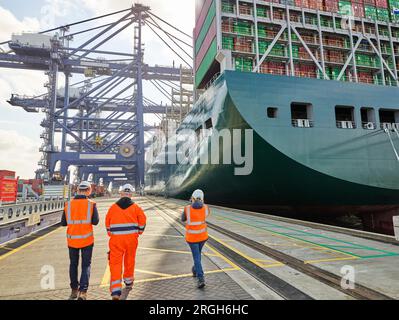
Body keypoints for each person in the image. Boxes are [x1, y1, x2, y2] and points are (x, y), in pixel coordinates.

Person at [105, 184, 147, 300]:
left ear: (121, 193)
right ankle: (128, 282)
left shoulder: (112, 208)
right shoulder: (136, 208)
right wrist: (139, 231)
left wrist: (111, 233)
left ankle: (115, 291)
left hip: (116, 240)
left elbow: (107, 223)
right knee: (129, 260)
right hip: (131, 240)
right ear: (131, 194)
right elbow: (143, 221)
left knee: (115, 263)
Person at [61, 181, 99, 300]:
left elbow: (63, 223)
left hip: (72, 240)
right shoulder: (91, 204)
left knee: (73, 264)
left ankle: (74, 290)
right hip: (87, 240)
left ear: (77, 190)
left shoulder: (68, 205)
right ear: (88, 190)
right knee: (86, 265)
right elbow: (95, 222)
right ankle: (83, 292)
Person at [181, 189, 209, 289]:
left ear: (192, 198)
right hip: (203, 237)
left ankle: (200, 278)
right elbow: (205, 215)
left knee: (196, 257)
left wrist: (191, 204)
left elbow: (182, 219)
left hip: (192, 238)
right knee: (198, 256)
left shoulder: (187, 209)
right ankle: (195, 269)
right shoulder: (206, 208)